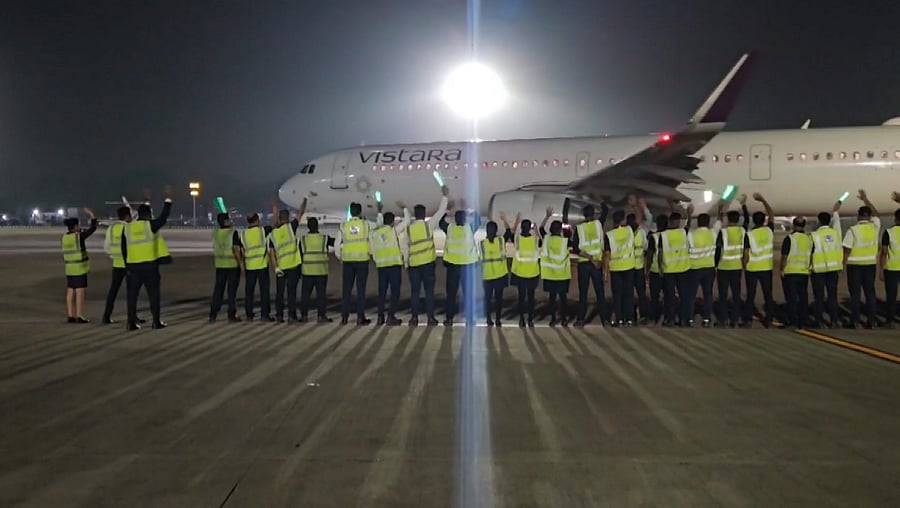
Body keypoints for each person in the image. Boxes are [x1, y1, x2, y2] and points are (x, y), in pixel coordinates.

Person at [122, 187, 172, 330]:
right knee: (154, 295)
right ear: (149, 215)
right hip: (149, 267)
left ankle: (130, 322)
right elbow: (163, 217)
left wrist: (127, 266)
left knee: (132, 297)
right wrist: (168, 200)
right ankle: (156, 322)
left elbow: (124, 249)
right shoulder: (150, 226)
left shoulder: (128, 228)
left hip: (133, 267)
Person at [405, 186, 449, 327]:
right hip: (428, 265)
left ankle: (414, 318)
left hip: (414, 266)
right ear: (424, 215)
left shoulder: (409, 229)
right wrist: (445, 196)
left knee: (415, 293)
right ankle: (431, 318)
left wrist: (406, 264)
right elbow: (440, 212)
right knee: (429, 293)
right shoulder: (428, 225)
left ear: (415, 214)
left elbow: (405, 247)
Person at [503, 210, 547, 328]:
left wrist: (516, 222)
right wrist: (536, 230)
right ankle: (530, 320)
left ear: (522, 228)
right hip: (532, 273)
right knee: (531, 298)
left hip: (520, 273)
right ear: (530, 229)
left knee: (521, 298)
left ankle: (522, 320)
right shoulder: (535, 241)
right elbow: (542, 241)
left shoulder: (517, 240)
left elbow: (511, 233)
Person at [843, 189, 881, 329]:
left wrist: (842, 265)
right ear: (869, 216)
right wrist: (866, 199)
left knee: (855, 295)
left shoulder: (853, 230)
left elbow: (847, 249)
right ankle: (871, 321)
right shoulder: (875, 227)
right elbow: (877, 214)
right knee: (870, 294)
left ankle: (855, 321)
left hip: (854, 265)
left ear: (858, 216)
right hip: (870, 264)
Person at [102, 205, 143, 324]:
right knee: (132, 293)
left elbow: (106, 247)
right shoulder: (130, 228)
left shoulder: (111, 229)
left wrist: (114, 255)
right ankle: (132, 317)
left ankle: (106, 316)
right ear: (127, 216)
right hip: (130, 264)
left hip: (117, 264)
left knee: (113, 291)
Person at [335, 202, 374, 325]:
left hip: (348, 262)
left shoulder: (344, 226)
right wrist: (370, 253)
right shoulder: (365, 225)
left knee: (346, 290)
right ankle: (360, 318)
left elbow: (337, 244)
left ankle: (344, 317)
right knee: (360, 291)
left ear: (351, 212)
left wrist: (340, 256)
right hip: (362, 261)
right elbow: (372, 238)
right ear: (360, 212)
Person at [571, 203, 610, 327]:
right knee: (600, 293)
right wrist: (601, 201)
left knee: (583, 294)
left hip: (584, 264)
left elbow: (576, 249)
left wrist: (589, 258)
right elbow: (605, 210)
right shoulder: (599, 224)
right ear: (594, 214)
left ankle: (581, 320)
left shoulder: (579, 229)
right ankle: (605, 320)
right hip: (596, 264)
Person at [372, 202, 410, 325]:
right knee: (395, 293)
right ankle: (390, 316)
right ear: (393, 222)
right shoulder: (394, 231)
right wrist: (404, 209)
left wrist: (379, 211)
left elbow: (372, 249)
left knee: (382, 293)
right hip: (394, 266)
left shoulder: (376, 233)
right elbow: (407, 221)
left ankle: (380, 317)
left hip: (381, 267)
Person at [268, 199, 306, 323]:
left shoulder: (274, 234)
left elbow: (272, 253)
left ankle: (279, 316)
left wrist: (275, 267)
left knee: (280, 294)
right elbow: (300, 214)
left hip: (281, 267)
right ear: (288, 218)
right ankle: (292, 316)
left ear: (279, 218)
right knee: (291, 294)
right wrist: (304, 201)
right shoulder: (291, 228)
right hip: (293, 266)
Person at [440, 208, 480, 326]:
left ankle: (449, 319)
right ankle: (470, 319)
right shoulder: (469, 229)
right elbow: (478, 220)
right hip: (467, 268)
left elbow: (441, 223)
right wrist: (472, 212)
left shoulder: (450, 229)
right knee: (468, 294)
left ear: (455, 219)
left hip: (452, 267)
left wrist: (446, 213)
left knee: (451, 295)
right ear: (465, 219)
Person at [742, 193, 775, 328]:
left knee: (750, 296)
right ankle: (769, 319)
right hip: (766, 268)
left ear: (754, 221)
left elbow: (746, 254)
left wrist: (744, 265)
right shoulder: (769, 231)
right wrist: (763, 200)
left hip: (752, 269)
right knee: (768, 295)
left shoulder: (749, 235)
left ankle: (748, 320)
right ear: (763, 221)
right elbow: (772, 214)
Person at [715, 196, 749, 327]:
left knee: (722, 296)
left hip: (723, 267)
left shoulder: (722, 233)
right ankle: (735, 319)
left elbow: (718, 251)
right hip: (737, 267)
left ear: (728, 219)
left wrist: (720, 208)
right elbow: (747, 220)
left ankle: (722, 320)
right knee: (736, 295)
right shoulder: (742, 231)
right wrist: (744, 205)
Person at [809, 201, 844, 328]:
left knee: (819, 297)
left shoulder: (814, 235)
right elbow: (838, 225)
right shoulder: (836, 234)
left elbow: (810, 252)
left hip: (818, 270)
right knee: (832, 296)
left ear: (819, 221)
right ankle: (834, 320)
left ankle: (818, 321)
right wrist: (836, 212)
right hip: (833, 270)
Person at [62, 208, 97, 323]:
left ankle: (70, 315)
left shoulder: (65, 237)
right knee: (80, 292)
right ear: (76, 226)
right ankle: (79, 315)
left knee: (70, 291)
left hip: (69, 268)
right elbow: (93, 228)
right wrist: (92, 215)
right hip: (79, 268)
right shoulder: (79, 237)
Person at [687, 210, 721, 327]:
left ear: (697, 223)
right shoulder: (713, 233)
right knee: (708, 295)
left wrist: (689, 216)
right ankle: (706, 319)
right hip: (709, 268)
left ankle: (689, 319)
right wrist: (720, 208)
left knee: (691, 295)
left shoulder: (691, 235)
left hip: (694, 268)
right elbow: (718, 223)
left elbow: (686, 229)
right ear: (708, 223)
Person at [658, 211, 691, 326]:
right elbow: (688, 225)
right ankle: (683, 319)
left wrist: (660, 267)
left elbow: (660, 254)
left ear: (670, 222)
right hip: (683, 269)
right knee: (684, 296)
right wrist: (689, 214)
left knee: (670, 297)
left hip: (669, 270)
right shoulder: (683, 232)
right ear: (678, 222)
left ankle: (670, 319)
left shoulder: (663, 235)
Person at [209, 212, 242, 323]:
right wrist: (241, 264)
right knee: (231, 292)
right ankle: (231, 315)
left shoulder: (216, 233)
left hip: (220, 265)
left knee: (218, 291)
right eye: (229, 219)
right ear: (226, 221)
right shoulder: (232, 233)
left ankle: (213, 314)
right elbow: (236, 250)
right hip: (232, 265)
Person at [604, 210, 636, 326]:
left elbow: (607, 255)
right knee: (628, 295)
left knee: (617, 296)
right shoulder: (629, 231)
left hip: (615, 268)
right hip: (629, 266)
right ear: (623, 220)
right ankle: (630, 319)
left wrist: (605, 273)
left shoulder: (609, 235)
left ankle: (619, 318)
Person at [300, 217, 335, 323]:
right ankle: (321, 316)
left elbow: (300, 253)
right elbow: (336, 243)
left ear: (308, 227)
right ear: (317, 226)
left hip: (307, 271)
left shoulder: (303, 239)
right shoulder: (324, 238)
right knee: (321, 295)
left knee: (305, 295)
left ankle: (304, 316)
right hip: (321, 271)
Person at [780, 217, 812, 328]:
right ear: (804, 225)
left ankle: (793, 321)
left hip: (791, 271)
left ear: (794, 225)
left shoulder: (789, 238)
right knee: (803, 298)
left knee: (791, 298)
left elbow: (784, 256)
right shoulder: (809, 239)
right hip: (804, 272)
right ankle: (803, 321)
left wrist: (781, 269)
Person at [241, 212, 274, 322]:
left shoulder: (243, 234)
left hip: (250, 266)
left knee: (249, 292)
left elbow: (241, 250)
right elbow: (274, 224)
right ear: (257, 220)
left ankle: (249, 315)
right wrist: (274, 209)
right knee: (264, 292)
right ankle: (265, 315)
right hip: (262, 266)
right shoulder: (262, 231)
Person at [541, 217, 571, 327]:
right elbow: (571, 237)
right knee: (563, 299)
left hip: (550, 275)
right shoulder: (565, 242)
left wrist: (547, 216)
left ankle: (553, 319)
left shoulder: (546, 240)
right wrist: (567, 229)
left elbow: (541, 229)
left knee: (552, 299)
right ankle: (564, 319)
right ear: (560, 230)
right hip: (562, 275)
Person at [481, 220, 508, 327]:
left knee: (487, 299)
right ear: (496, 230)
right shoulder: (501, 241)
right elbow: (509, 232)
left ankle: (488, 319)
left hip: (487, 276)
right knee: (498, 299)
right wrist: (504, 219)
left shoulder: (482, 244)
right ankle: (498, 319)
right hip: (500, 274)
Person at [879, 192, 900, 329]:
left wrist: (881, 268)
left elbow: (884, 252)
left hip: (891, 268)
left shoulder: (889, 232)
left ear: (895, 219)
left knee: (891, 297)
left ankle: (890, 321)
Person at [645, 214, 668, 325]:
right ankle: (668, 318)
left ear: (657, 224)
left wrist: (647, 270)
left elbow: (649, 255)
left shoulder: (653, 237)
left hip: (655, 270)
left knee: (654, 297)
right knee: (668, 296)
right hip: (668, 269)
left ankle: (652, 318)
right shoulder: (669, 236)